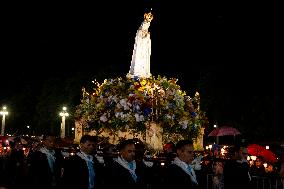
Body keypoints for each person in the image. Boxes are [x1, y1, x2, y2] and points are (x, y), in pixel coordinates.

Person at [127, 10, 153, 79]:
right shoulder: (140, 31)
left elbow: (146, 40)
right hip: (140, 50)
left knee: (144, 61)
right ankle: (137, 75)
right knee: (138, 61)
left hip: (144, 51)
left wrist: (147, 36)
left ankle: (143, 74)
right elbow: (140, 37)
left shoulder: (146, 32)